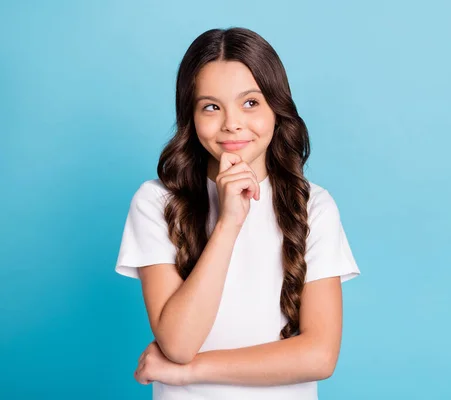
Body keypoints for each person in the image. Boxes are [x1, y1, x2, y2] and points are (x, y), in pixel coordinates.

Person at [114, 26, 360, 400]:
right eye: (211, 106)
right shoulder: (157, 202)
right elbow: (178, 343)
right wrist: (229, 222)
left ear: (276, 109)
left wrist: (190, 372)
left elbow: (319, 356)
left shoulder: (313, 205)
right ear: (190, 116)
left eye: (250, 103)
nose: (232, 123)